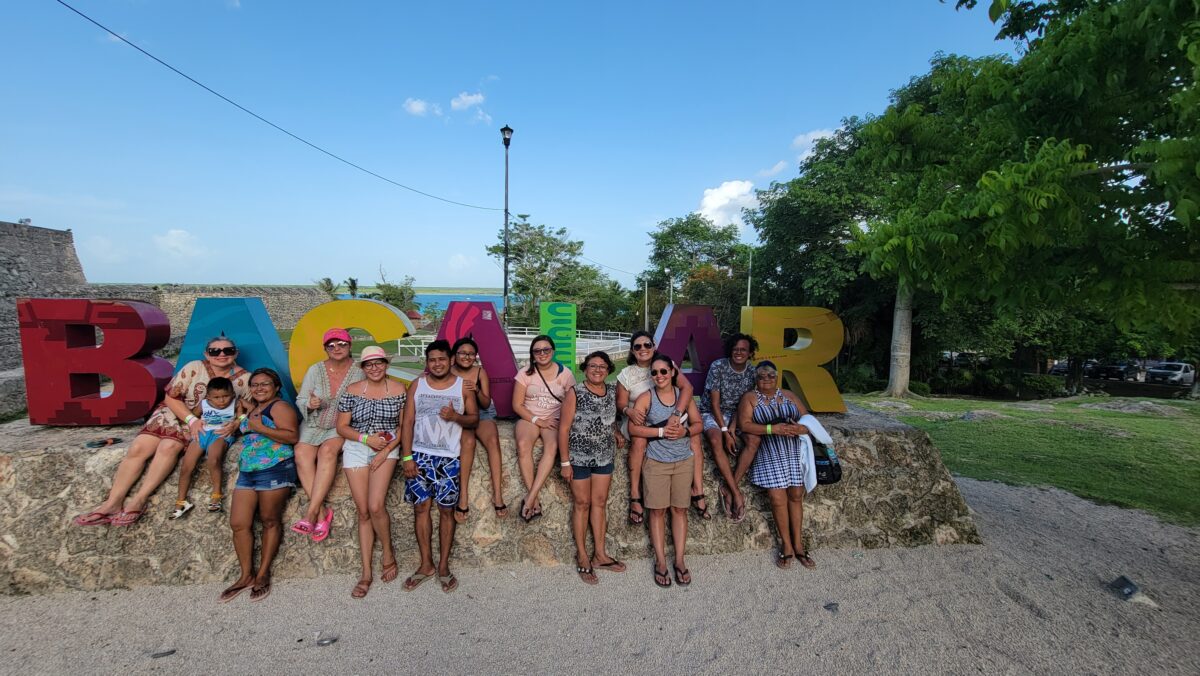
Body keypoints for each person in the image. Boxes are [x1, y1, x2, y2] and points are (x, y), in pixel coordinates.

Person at [72, 336, 250, 527]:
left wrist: (234, 423)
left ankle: (139, 499)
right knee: (139, 447)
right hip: (177, 413)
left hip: (206, 424)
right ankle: (113, 502)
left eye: (227, 351)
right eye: (215, 351)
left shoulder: (245, 379)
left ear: (235, 353)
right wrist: (190, 420)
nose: (222, 355)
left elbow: (247, 409)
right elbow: (172, 396)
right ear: (207, 353)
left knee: (168, 447)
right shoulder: (194, 367)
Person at [400, 340, 478, 594]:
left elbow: (474, 419)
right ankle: (426, 564)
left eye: (441, 359)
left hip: (448, 458)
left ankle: (443, 565)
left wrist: (455, 417)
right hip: (420, 456)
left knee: (446, 511)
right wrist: (407, 457)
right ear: (427, 362)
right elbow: (408, 421)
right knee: (420, 508)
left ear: (450, 360)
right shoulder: (418, 385)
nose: (437, 364)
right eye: (432, 359)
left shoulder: (461, 387)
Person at [219, 367, 299, 603]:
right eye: (255, 385)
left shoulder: (280, 407)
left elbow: (292, 436)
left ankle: (263, 573)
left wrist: (259, 427)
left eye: (265, 384)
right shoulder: (254, 408)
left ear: (276, 387)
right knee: (239, 523)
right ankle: (246, 575)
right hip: (248, 470)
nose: (259, 388)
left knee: (270, 520)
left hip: (275, 467)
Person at [615, 331, 706, 526]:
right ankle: (635, 495)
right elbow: (621, 402)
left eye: (647, 345)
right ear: (632, 350)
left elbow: (687, 389)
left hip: (669, 417)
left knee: (694, 437)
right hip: (639, 421)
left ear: (654, 346)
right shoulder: (627, 374)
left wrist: (677, 414)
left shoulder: (666, 364)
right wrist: (628, 411)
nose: (643, 349)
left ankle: (698, 488)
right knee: (639, 440)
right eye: (637, 346)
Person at [336, 345, 405, 599]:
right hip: (357, 445)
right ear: (363, 368)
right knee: (363, 510)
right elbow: (342, 426)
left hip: (387, 447)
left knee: (376, 506)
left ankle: (387, 551)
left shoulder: (399, 390)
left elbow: (403, 426)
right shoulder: (353, 391)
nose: (375, 368)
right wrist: (366, 439)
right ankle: (365, 572)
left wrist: (385, 451)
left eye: (379, 362)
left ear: (386, 364)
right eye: (369, 364)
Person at [733, 361, 817, 570]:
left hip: (793, 452)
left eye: (771, 375)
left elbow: (809, 421)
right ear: (756, 378)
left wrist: (800, 428)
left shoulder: (789, 396)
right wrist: (772, 429)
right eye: (762, 376)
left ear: (777, 377)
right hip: (769, 453)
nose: (767, 379)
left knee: (796, 496)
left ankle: (799, 545)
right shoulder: (750, 398)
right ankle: (786, 546)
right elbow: (745, 425)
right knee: (777, 499)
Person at [628, 354, 702, 588]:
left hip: (683, 461)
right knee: (657, 512)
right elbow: (633, 429)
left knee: (680, 510)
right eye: (654, 372)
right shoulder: (646, 398)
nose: (659, 376)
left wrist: (685, 432)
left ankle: (679, 560)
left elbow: (698, 424)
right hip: (657, 463)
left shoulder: (683, 397)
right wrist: (660, 433)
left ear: (672, 373)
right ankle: (661, 561)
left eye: (663, 371)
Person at [558, 351, 628, 585]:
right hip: (578, 458)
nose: (597, 369)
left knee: (599, 503)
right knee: (582, 504)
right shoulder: (575, 392)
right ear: (585, 368)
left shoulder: (611, 390)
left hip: (604, 456)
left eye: (602, 366)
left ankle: (600, 553)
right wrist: (565, 462)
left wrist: (616, 430)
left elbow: (610, 417)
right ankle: (583, 554)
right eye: (592, 366)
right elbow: (564, 428)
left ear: (609, 369)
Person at [292, 328, 365, 542]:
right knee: (301, 453)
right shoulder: (315, 370)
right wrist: (310, 403)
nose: (337, 348)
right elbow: (301, 398)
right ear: (325, 349)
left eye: (341, 344)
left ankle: (311, 513)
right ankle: (322, 512)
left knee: (328, 451)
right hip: (314, 423)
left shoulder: (359, 371)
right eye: (331, 345)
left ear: (350, 346)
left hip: (340, 425)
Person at [511, 334, 576, 522]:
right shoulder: (525, 373)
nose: (542, 353)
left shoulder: (565, 374)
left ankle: (529, 497)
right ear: (532, 354)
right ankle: (535, 499)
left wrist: (554, 421)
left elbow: (572, 401)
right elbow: (517, 405)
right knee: (523, 445)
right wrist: (538, 420)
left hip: (554, 418)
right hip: (530, 417)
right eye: (537, 351)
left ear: (552, 351)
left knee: (552, 447)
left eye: (546, 350)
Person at [700, 333, 759, 523]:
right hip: (712, 412)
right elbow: (715, 404)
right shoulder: (718, 367)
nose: (738, 352)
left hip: (737, 416)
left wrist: (733, 428)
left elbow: (743, 404)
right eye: (735, 349)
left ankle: (728, 488)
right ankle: (735, 492)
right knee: (716, 440)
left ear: (750, 353)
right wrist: (725, 431)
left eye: (743, 349)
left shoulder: (752, 373)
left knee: (753, 440)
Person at [450, 336, 508, 521]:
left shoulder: (479, 372)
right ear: (455, 355)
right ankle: (463, 497)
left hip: (482, 413)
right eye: (462, 353)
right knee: (467, 443)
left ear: (475, 356)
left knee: (492, 441)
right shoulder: (447, 372)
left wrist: (475, 390)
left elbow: (485, 402)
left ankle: (498, 495)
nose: (467, 357)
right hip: (461, 415)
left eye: (471, 354)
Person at [170, 376, 238, 519]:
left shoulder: (236, 403)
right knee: (187, 465)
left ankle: (216, 495)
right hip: (203, 433)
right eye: (216, 397)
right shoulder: (204, 404)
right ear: (208, 396)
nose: (221, 400)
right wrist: (198, 421)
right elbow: (194, 415)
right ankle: (181, 501)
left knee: (213, 460)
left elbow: (243, 416)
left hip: (220, 434)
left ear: (232, 394)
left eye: (225, 396)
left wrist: (237, 422)